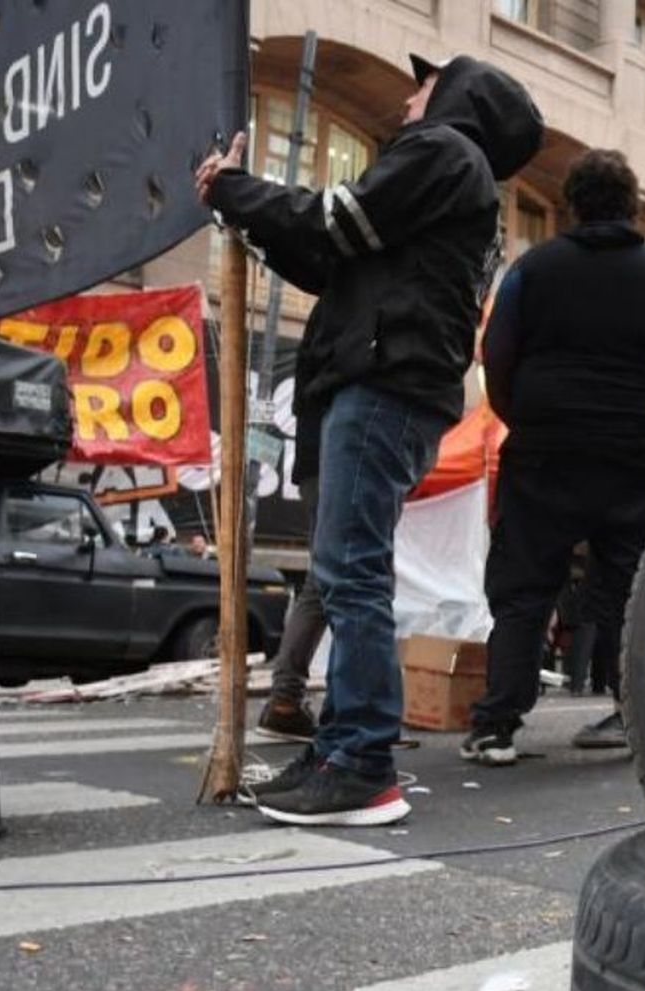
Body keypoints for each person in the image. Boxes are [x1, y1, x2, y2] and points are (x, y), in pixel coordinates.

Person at [199, 54, 543, 824]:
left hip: (384, 382)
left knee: (351, 574)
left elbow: (333, 220)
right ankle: (339, 749)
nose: (407, 95)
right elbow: (332, 257)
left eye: (424, 83)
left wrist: (235, 190)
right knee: (345, 567)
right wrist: (244, 208)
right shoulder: (458, 177)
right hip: (388, 382)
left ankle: (360, 760)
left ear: (460, 98)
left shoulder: (441, 153)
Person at [461, 149, 645, 765]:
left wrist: (529, 417)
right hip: (639, 454)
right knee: (632, 589)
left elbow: (497, 355)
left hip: (546, 449)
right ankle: (633, 716)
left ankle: (498, 726)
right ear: (632, 206)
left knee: (524, 586)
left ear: (573, 205)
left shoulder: (533, 271)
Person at [256, 414, 325, 741]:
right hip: (341, 455)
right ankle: (356, 711)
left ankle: (286, 698)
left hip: (320, 457)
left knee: (325, 579)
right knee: (352, 578)